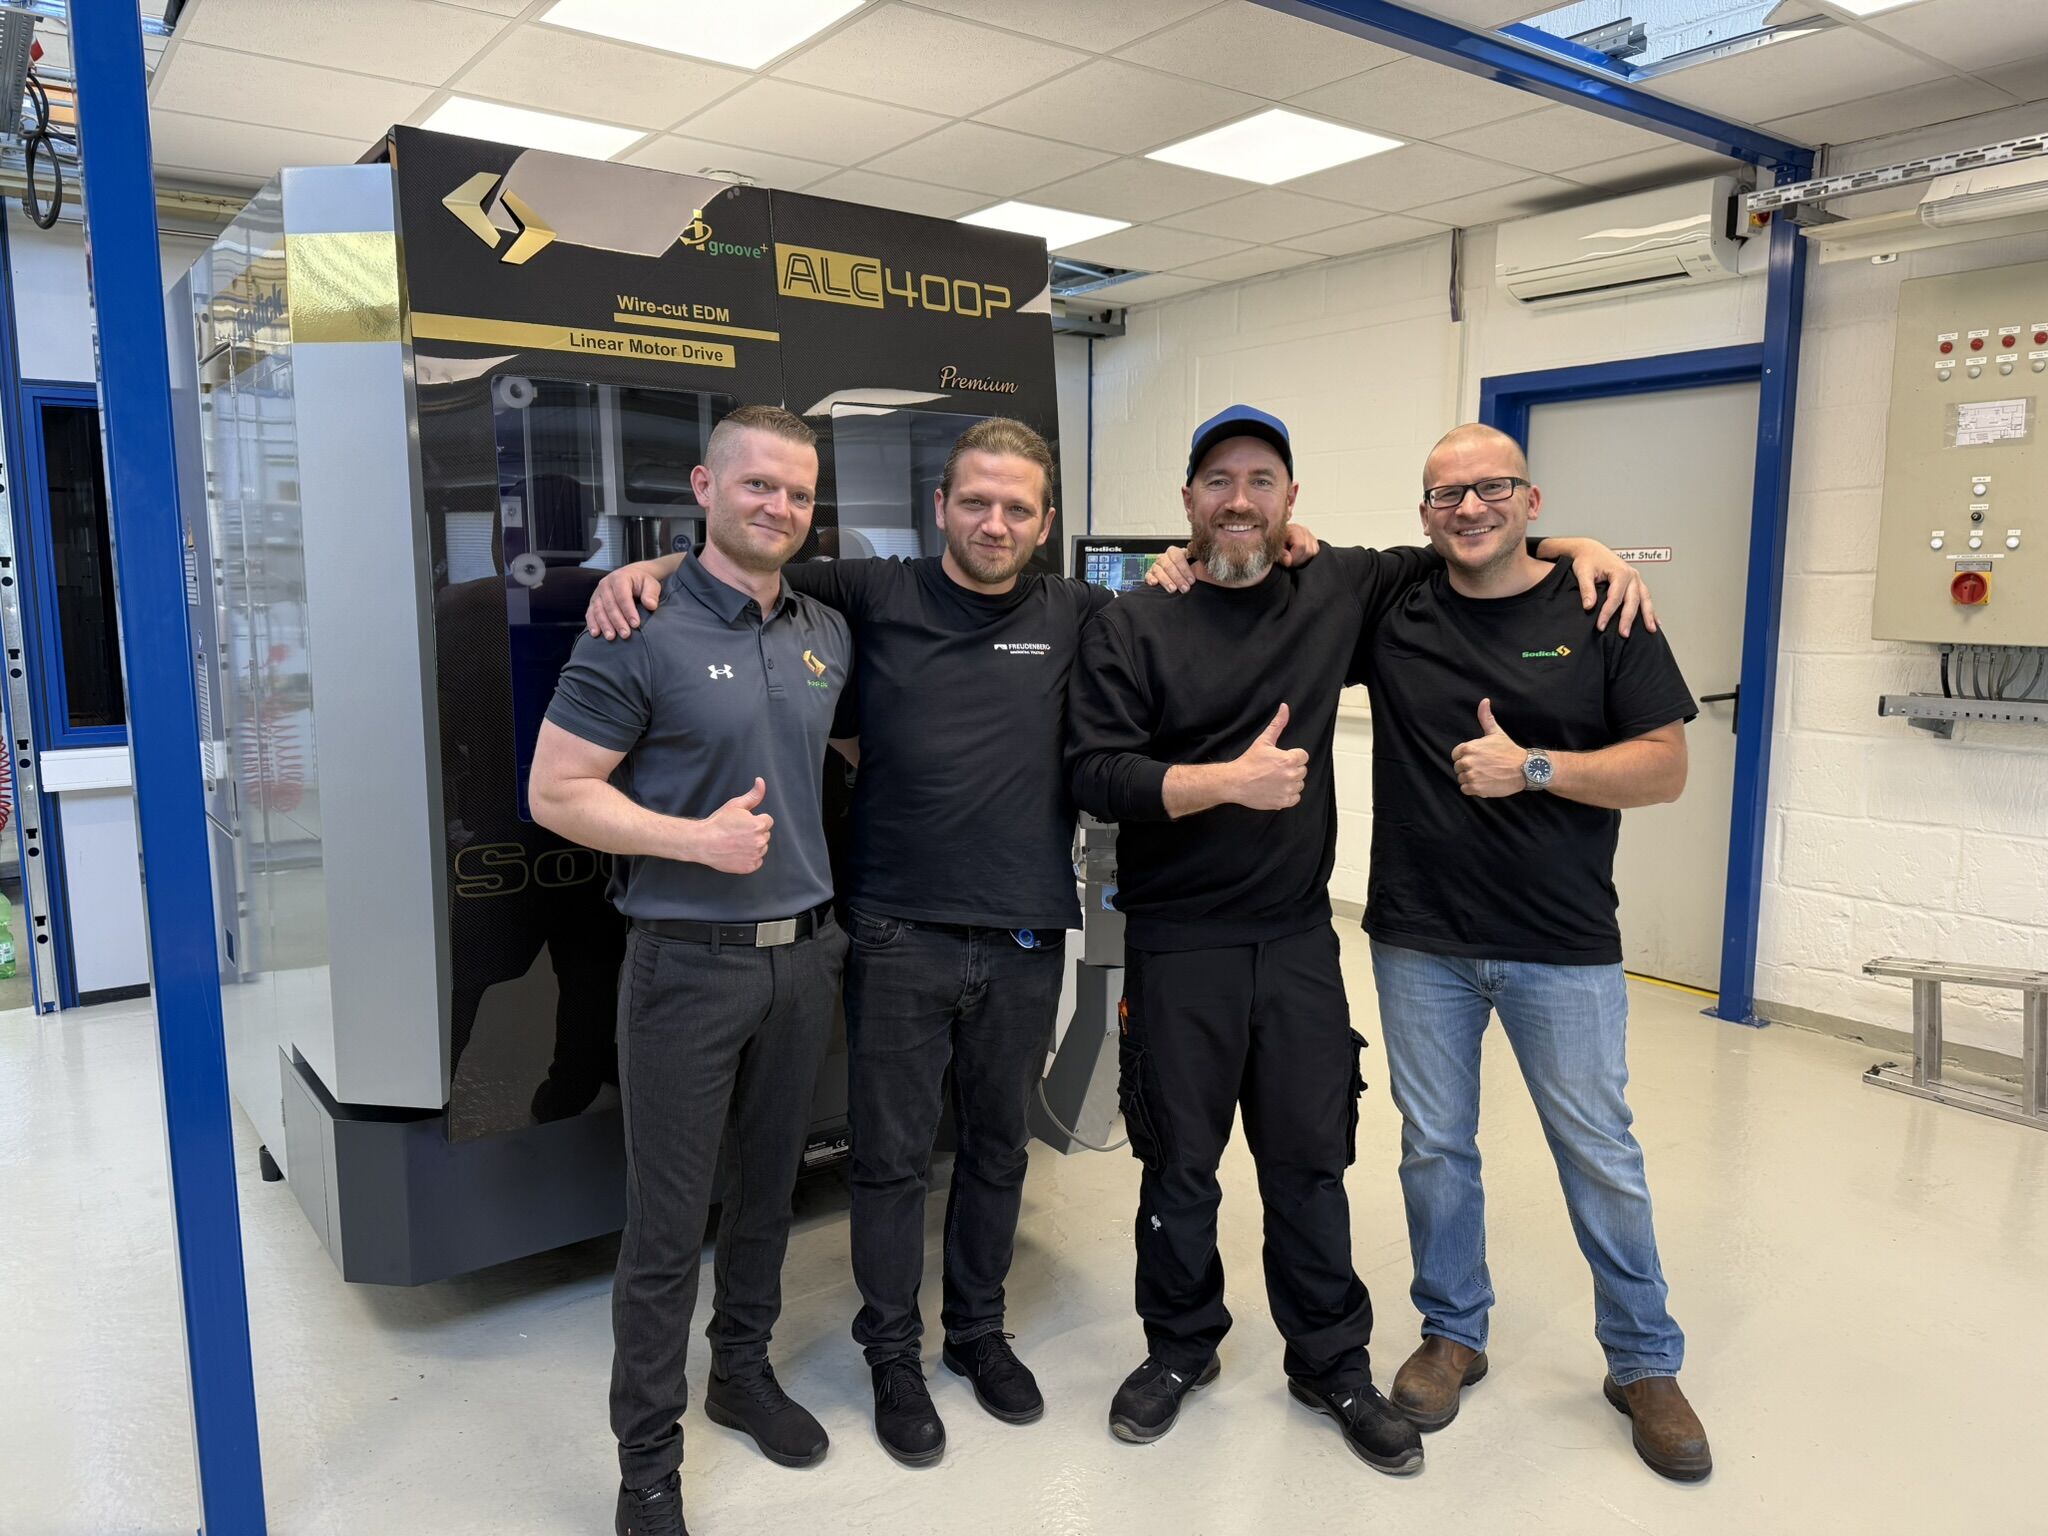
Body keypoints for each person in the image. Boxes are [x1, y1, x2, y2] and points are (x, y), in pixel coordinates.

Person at [582, 420, 1326, 1467]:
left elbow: (1210, 579)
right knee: (889, 1163)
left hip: (1023, 932)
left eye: (1017, 508)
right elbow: (744, 556)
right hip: (894, 933)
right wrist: (644, 570)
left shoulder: (1081, 611)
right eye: (975, 501)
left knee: (995, 1151)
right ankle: (892, 1354)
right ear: (940, 507)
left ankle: (977, 1333)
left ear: (1045, 524)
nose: (994, 523)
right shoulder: (873, 591)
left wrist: (1246, 548)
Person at [1065, 404, 1650, 1478]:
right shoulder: (1133, 619)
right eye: (1217, 481)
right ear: (1187, 500)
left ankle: (1330, 1362)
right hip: (1178, 941)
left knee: (1310, 1165)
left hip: (1296, 941)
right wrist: (1223, 784)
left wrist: (1584, 547)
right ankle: (1180, 1346)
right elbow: (1096, 774)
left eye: (1261, 481)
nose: (1239, 500)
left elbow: (1480, 539)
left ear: (1293, 501)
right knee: (1178, 1167)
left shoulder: (1339, 586)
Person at [1357, 423, 1709, 1482]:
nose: (1469, 508)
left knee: (1598, 1150)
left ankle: (1642, 1360)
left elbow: (1665, 769)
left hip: (1561, 940)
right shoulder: (1394, 604)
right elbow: (1285, 558)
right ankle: (1451, 1331)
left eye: (1492, 487)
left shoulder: (1602, 608)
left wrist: (1536, 768)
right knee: (1435, 1145)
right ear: (1423, 514)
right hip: (1420, 935)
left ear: (1532, 499)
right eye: (1445, 493)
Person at [529, 404, 854, 1536]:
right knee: (666, 1230)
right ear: (703, 488)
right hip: (684, 967)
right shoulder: (637, 629)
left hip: (804, 960)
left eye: (798, 492)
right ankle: (647, 1466)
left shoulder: (825, 626)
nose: (779, 506)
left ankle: (741, 1375)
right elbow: (555, 792)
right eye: (756, 484)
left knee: (771, 1195)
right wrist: (693, 842)